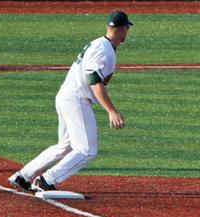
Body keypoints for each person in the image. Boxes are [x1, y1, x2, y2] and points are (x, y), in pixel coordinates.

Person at [8, 10, 131, 193]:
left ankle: (23, 176)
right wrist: (111, 111)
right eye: (127, 28)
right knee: (87, 150)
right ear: (123, 29)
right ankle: (46, 180)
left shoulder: (99, 44)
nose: (127, 32)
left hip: (66, 95)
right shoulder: (104, 50)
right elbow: (94, 80)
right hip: (76, 99)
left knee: (64, 147)